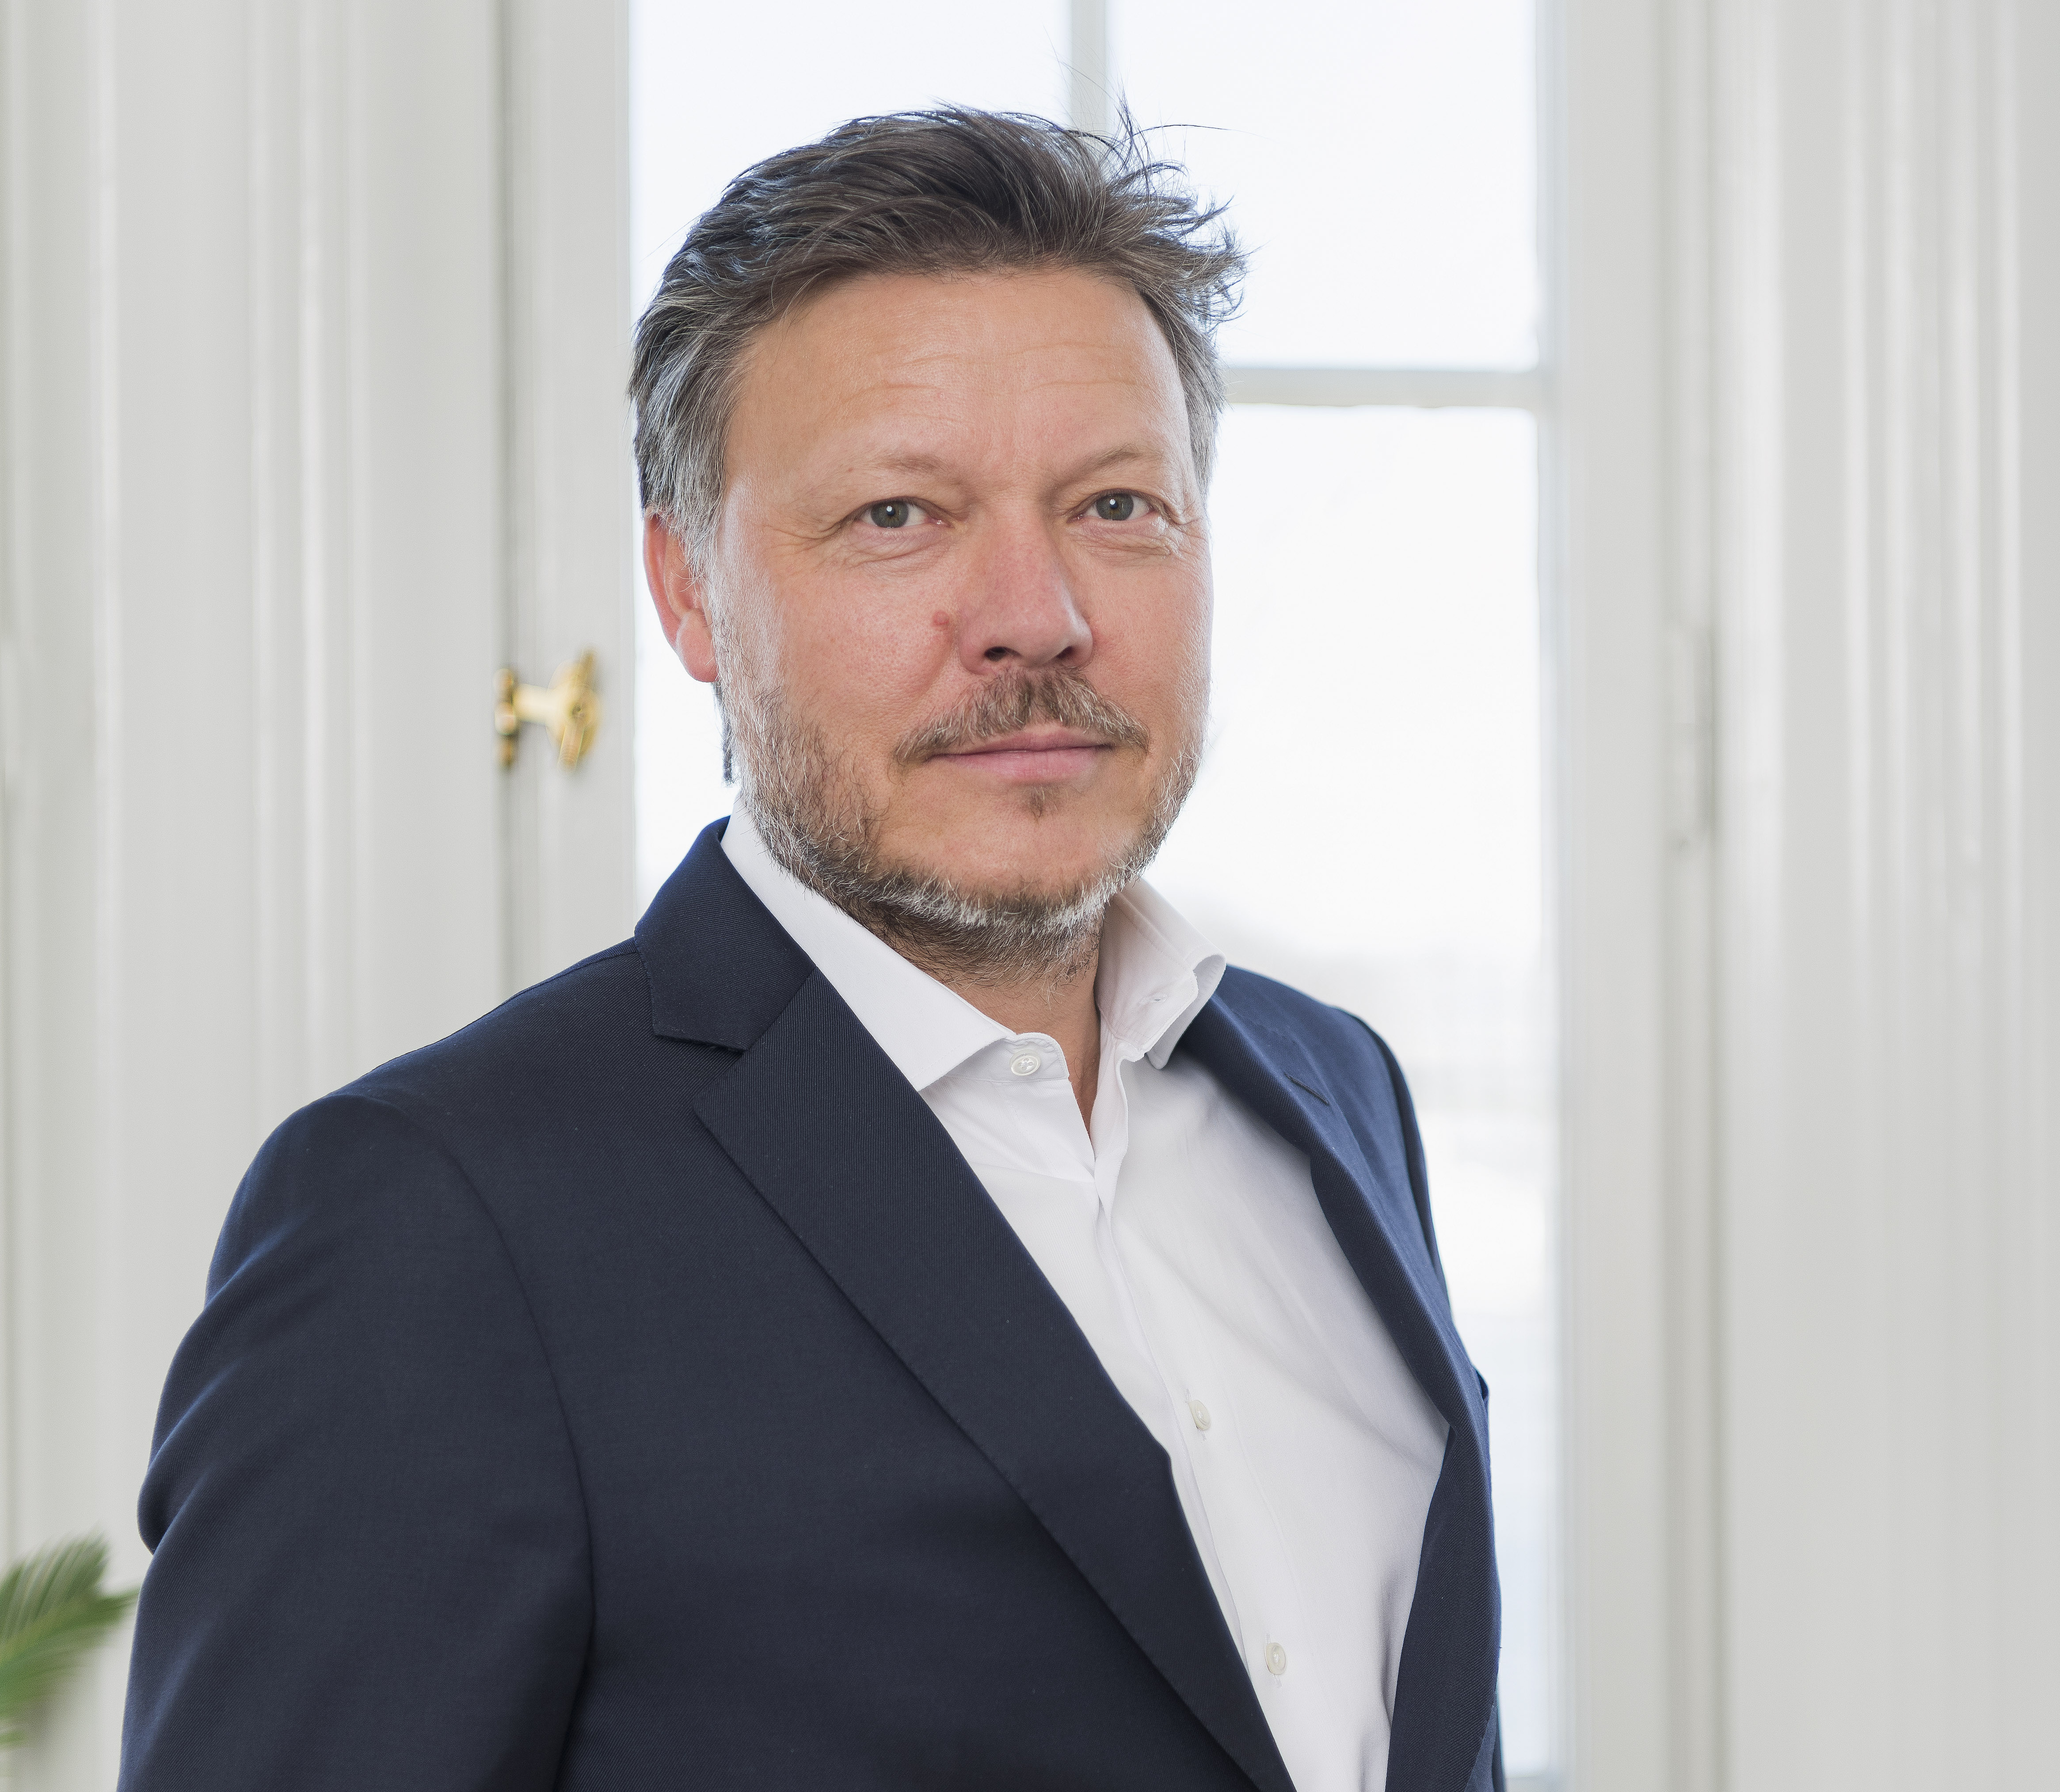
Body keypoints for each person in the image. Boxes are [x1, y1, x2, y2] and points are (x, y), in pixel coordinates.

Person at [118, 110, 1500, 1792]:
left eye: (1117, 503)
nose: (1038, 614)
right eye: (899, 515)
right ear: (687, 591)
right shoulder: (435, 1223)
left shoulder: (1340, 1095)